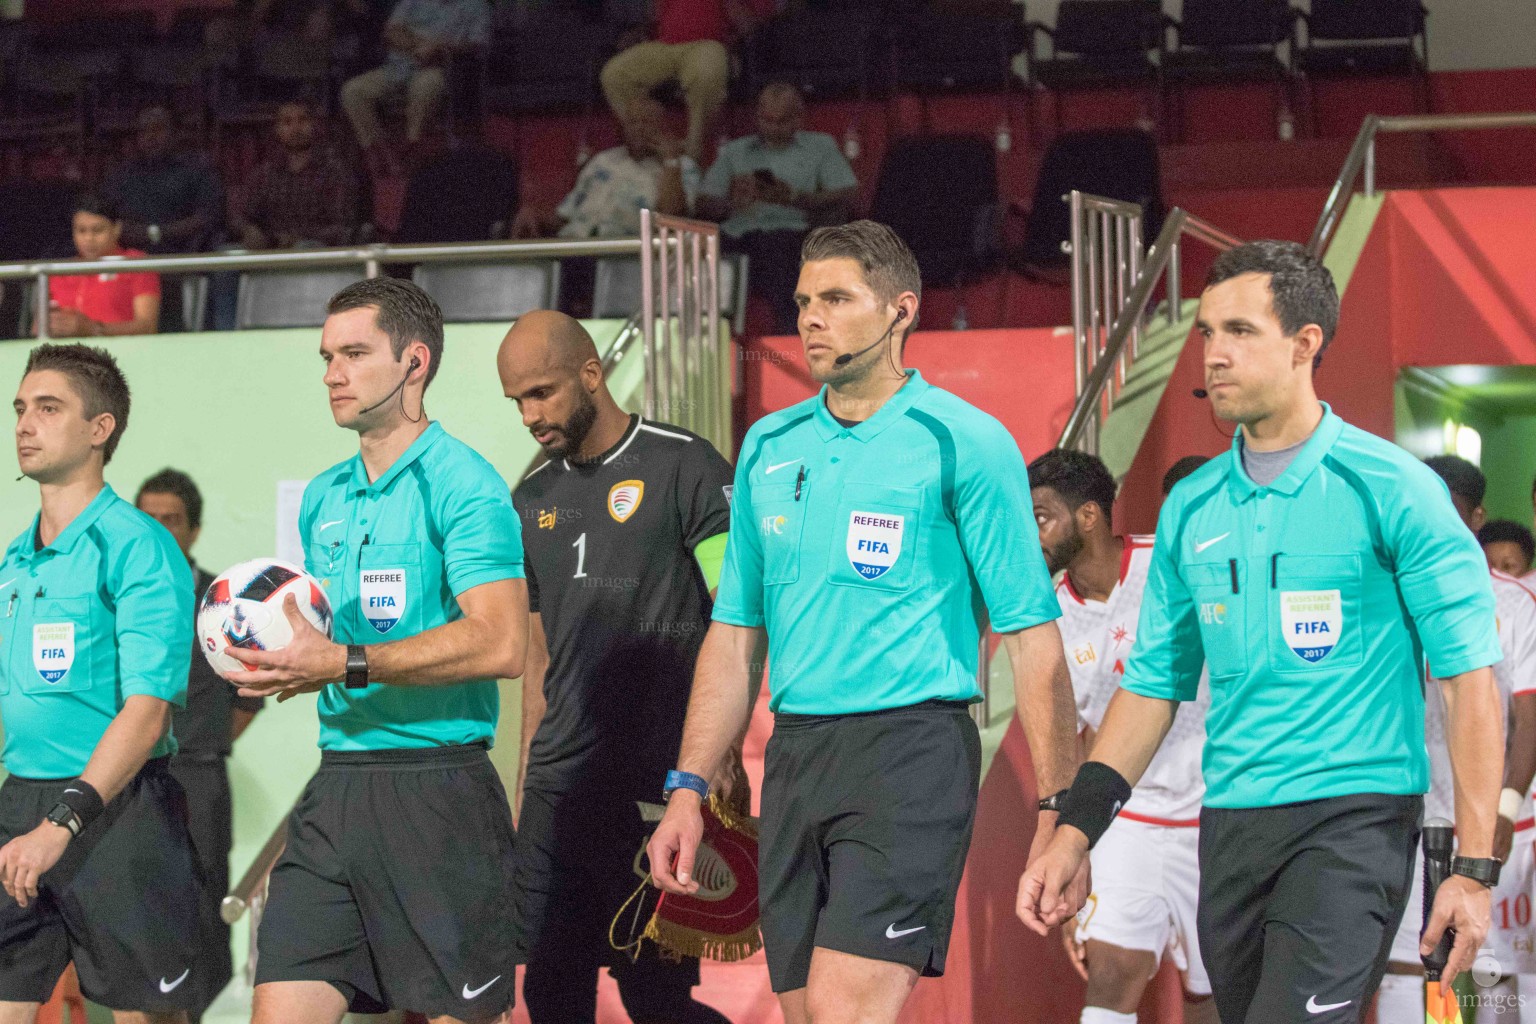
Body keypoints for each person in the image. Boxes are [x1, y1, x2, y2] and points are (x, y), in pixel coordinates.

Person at [1019, 240, 1506, 1024]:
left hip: (1354, 820)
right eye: (1208, 333)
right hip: (1234, 824)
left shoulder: (1395, 490)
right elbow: (1151, 689)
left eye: (1240, 332)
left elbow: (1468, 679)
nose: (1213, 355)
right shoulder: (1193, 508)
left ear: (1305, 343)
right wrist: (1075, 832)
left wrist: (1474, 868)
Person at [647, 221, 1081, 1024]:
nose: (811, 317)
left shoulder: (965, 442)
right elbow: (736, 633)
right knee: (808, 1014)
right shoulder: (767, 446)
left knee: (847, 1015)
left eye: (837, 299)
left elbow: (1031, 636)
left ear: (900, 311)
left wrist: (1061, 811)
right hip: (800, 753)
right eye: (806, 301)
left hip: (910, 754)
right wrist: (688, 790)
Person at [213, 278, 528, 1024]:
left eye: (354, 353)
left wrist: (344, 661)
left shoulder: (467, 485)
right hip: (336, 790)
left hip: (439, 792)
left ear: (414, 363)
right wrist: (283, 662)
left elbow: (503, 641)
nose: (332, 373)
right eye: (326, 356)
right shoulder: (325, 496)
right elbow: (325, 636)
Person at [500, 310, 734, 1024]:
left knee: (656, 998)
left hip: (661, 785)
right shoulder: (530, 498)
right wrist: (524, 795)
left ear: (592, 375)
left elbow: (736, 622)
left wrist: (715, 759)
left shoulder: (685, 465)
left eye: (541, 392)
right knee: (549, 993)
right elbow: (538, 667)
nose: (530, 415)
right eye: (517, 401)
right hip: (560, 795)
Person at [0, 343, 200, 1023]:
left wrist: (65, 820)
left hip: (118, 813)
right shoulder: (14, 560)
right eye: (21, 408)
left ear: (100, 428)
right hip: (20, 806)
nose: (25, 423)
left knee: (137, 1016)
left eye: (48, 408)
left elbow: (146, 715)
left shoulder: (140, 545)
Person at [1029, 448, 1216, 1024]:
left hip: (1215, 816)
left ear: (1088, 516)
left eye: (1041, 517)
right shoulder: (1048, 616)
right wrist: (1073, 844)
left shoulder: (1171, 564)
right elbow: (1079, 739)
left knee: (1213, 997)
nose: (1029, 533)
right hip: (1128, 823)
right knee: (1110, 978)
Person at [1374, 455, 1536, 1022]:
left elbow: (1528, 720)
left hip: (1488, 819)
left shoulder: (1513, 603)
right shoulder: (1385, 592)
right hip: (1407, 816)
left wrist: (1505, 812)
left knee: (1496, 964)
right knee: (1405, 960)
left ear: (1477, 517)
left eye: (1450, 510)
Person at [135, 468, 266, 1023]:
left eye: (172, 520)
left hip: (199, 779)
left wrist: (198, 743)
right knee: (140, 915)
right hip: (133, 782)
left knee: (207, 914)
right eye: (149, 519)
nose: (160, 529)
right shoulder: (122, 598)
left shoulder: (223, 603)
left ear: (194, 529)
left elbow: (249, 696)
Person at [699, 82, 858, 334]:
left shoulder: (820, 147)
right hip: (738, 234)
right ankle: (715, 342)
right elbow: (705, 201)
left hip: (793, 232)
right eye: (766, 120)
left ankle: (790, 342)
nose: (772, 128)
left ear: (798, 119)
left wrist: (794, 197)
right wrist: (733, 202)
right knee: (705, 258)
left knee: (782, 257)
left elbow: (846, 192)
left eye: (781, 122)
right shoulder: (735, 151)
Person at [599, 0, 771, 162]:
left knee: (707, 73)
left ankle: (692, 152)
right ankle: (651, 143)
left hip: (708, 44)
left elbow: (750, 25)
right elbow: (653, 20)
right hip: (664, 47)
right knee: (614, 75)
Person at [103, 106, 225, 333]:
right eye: (144, 131)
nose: (151, 137)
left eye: (158, 129)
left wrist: (155, 233)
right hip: (130, 261)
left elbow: (209, 217)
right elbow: (104, 217)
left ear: (175, 133)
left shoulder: (197, 170)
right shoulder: (122, 175)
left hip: (183, 256)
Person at [514, 96, 698, 241]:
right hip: (575, 246)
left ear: (663, 126)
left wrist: (671, 160)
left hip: (626, 256)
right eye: (633, 122)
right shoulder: (603, 161)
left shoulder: (681, 166)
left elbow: (672, 220)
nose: (639, 129)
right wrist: (533, 212)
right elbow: (566, 216)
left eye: (647, 122)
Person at [339, 0, 490, 174]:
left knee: (426, 85)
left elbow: (478, 46)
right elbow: (390, 32)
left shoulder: (477, 6)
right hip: (396, 68)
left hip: (439, 69)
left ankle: (413, 148)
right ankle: (381, 152)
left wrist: (440, 47)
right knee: (352, 90)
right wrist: (419, 46)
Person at [234, 100, 360, 249]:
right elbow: (241, 216)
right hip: (270, 248)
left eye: (303, 120)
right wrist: (249, 230)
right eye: (287, 122)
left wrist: (296, 237)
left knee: (305, 247)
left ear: (314, 125)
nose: (296, 128)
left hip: (317, 249)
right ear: (277, 130)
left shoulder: (335, 170)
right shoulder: (264, 173)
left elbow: (344, 226)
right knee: (226, 254)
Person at [44, 193, 160, 339]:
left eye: (97, 230)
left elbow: (148, 326)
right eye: (81, 230)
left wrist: (93, 330)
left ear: (116, 229)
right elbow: (37, 328)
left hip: (121, 354)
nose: (88, 238)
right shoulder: (61, 270)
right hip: (64, 356)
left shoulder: (136, 263)